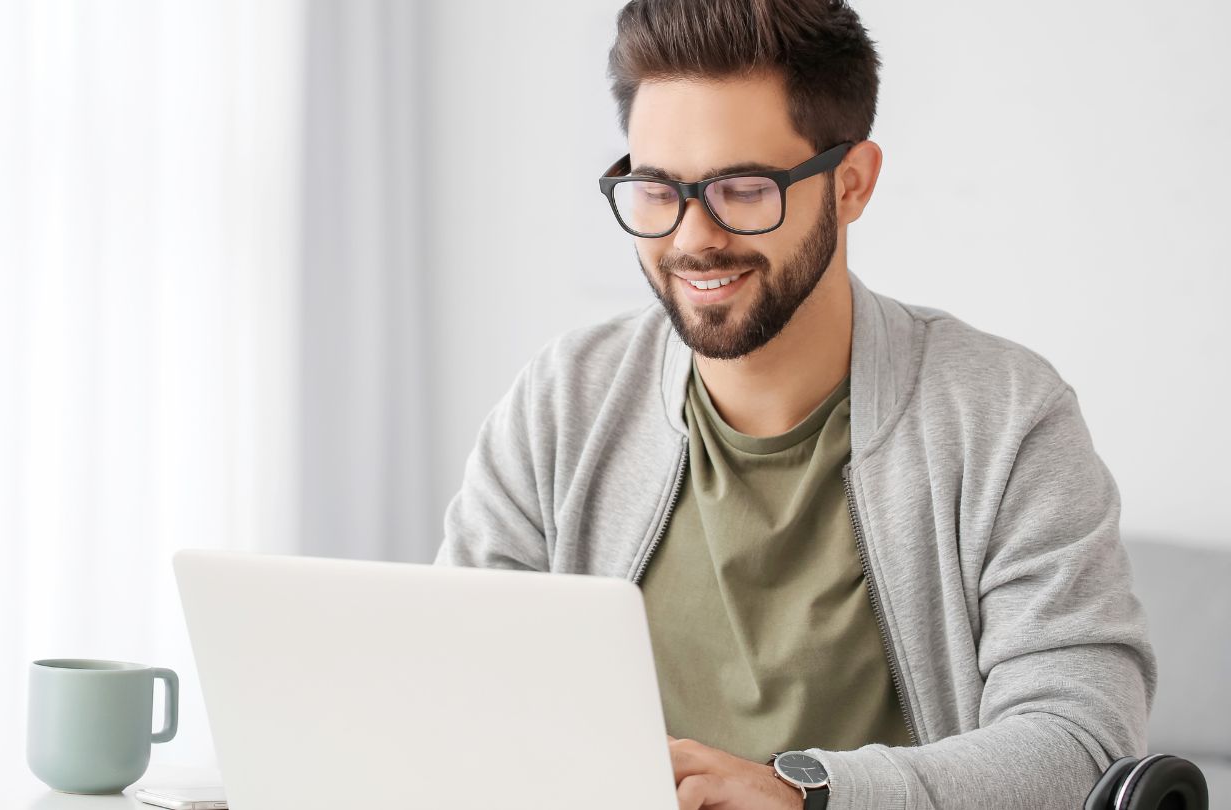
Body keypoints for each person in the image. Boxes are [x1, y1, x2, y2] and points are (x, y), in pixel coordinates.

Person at [434, 0, 1157, 808]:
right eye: (655, 189)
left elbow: (1081, 743)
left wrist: (804, 794)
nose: (690, 239)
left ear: (851, 184)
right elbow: (459, 679)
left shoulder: (1006, 418)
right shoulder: (565, 401)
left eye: (743, 188)